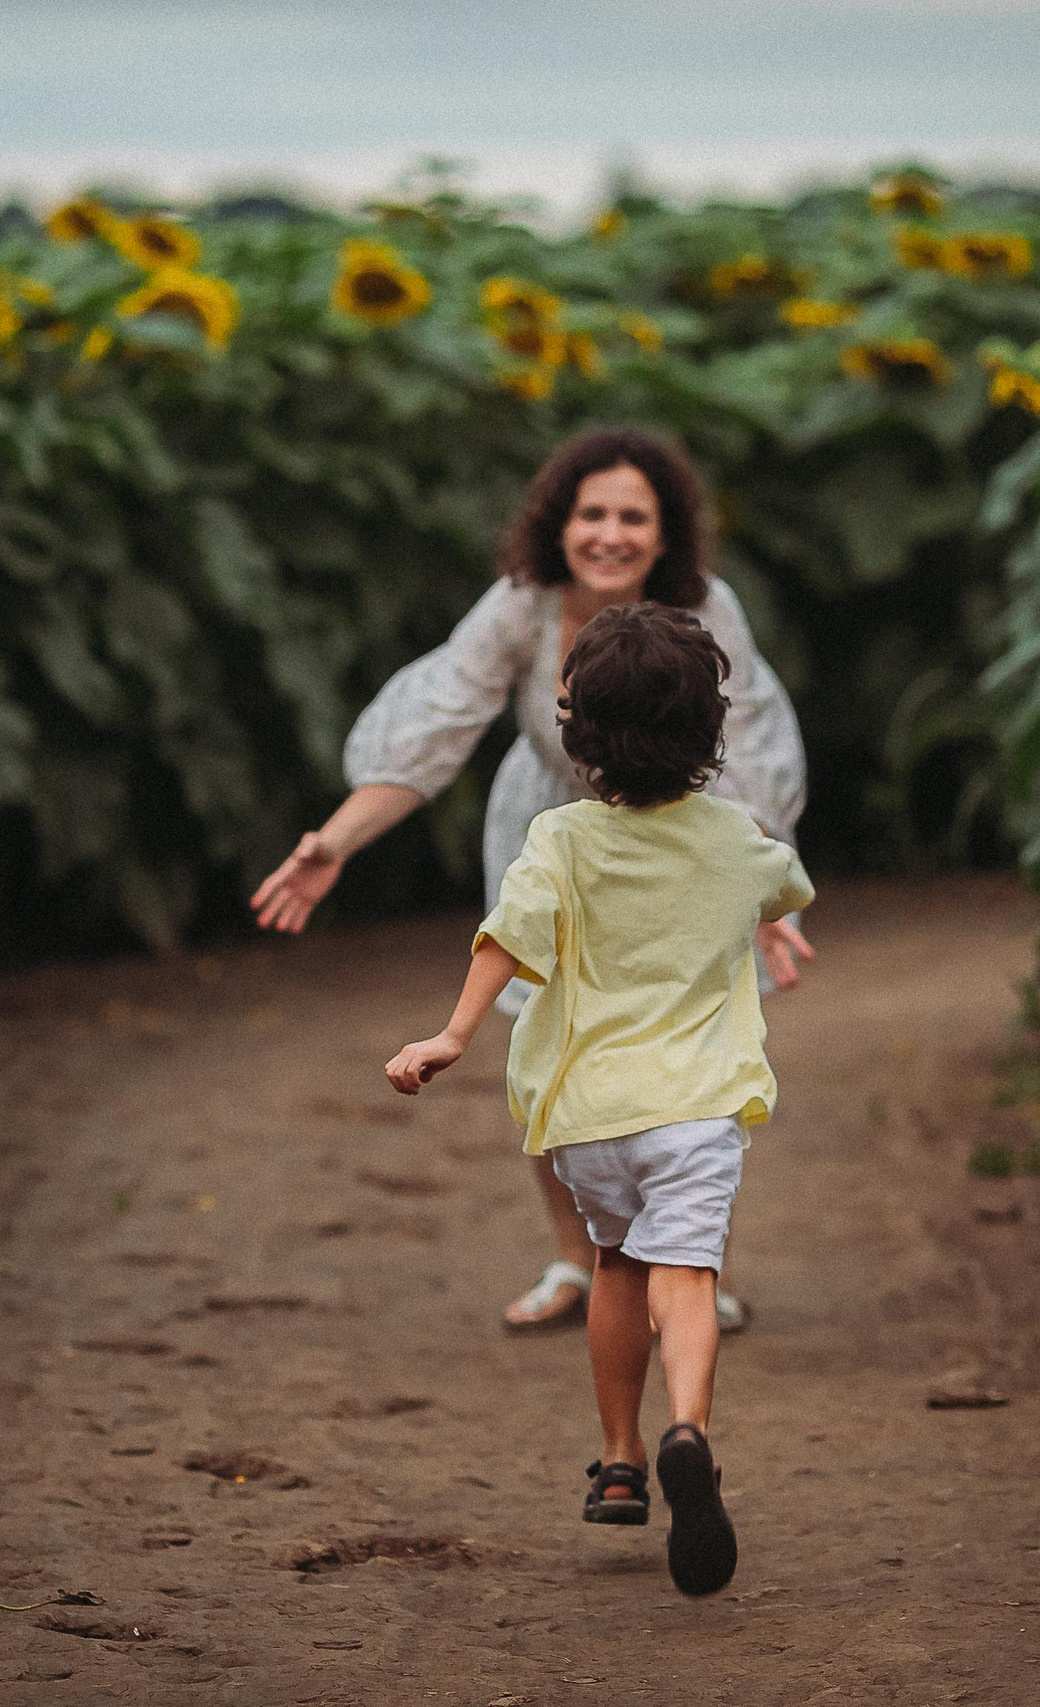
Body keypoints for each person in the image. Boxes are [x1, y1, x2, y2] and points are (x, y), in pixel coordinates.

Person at [251, 428, 810, 1332]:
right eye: (592, 513)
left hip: (682, 838)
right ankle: (576, 1262)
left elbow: (742, 750)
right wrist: (335, 842)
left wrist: (761, 890)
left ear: (666, 535)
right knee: (551, 1050)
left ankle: (695, 1273)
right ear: (559, 523)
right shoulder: (523, 603)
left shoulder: (708, 606)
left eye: (635, 517)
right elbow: (437, 728)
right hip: (552, 834)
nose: (610, 534)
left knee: (691, 1052)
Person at [384, 602, 813, 1597]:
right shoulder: (734, 836)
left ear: (578, 740)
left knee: (615, 1265)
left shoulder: (560, 839)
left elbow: (506, 939)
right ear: (710, 733)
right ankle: (687, 1429)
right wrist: (765, 915)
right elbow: (784, 886)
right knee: (687, 1277)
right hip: (695, 1111)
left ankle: (620, 1460)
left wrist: (452, 1035)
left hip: (590, 1119)